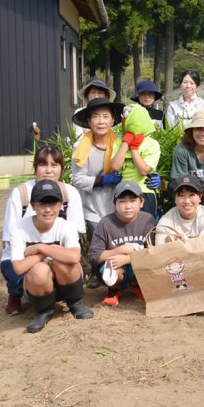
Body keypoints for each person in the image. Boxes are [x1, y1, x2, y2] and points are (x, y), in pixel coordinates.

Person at [1, 146, 86, 315]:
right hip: (22, 253)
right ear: (35, 168)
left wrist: (44, 250)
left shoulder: (70, 193)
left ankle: (68, 298)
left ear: (62, 168)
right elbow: (10, 240)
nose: (48, 170)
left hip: (55, 252)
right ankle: (15, 294)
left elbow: (74, 235)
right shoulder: (22, 193)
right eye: (43, 165)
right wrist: (39, 256)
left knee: (62, 268)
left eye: (54, 165)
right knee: (32, 274)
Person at [10, 180, 93, 333]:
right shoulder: (19, 228)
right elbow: (18, 267)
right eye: (42, 204)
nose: (48, 210)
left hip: (65, 280)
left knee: (62, 263)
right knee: (38, 270)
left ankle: (75, 302)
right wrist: (50, 251)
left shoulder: (65, 226)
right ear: (33, 205)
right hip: (39, 286)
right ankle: (43, 310)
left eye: (53, 203)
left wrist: (41, 248)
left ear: (60, 204)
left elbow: (74, 257)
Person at [70, 97, 125, 288]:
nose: (101, 121)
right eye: (96, 117)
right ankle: (95, 272)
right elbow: (77, 179)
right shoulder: (81, 147)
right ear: (89, 120)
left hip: (115, 204)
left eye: (105, 116)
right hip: (92, 206)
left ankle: (117, 277)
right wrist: (102, 180)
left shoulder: (119, 144)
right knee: (98, 242)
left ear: (112, 120)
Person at [88, 181, 156, 306]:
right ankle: (114, 289)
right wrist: (118, 250)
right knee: (112, 268)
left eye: (132, 200)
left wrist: (128, 258)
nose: (128, 206)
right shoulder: (105, 223)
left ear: (141, 202)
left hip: (137, 264)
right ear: (115, 204)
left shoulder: (148, 220)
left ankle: (137, 285)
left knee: (150, 263)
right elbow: (93, 256)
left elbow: (154, 253)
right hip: (116, 265)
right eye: (122, 201)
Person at [111, 104, 161, 216]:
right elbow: (115, 166)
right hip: (123, 190)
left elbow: (143, 171)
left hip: (145, 191)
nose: (125, 120)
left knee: (145, 228)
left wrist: (134, 148)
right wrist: (125, 143)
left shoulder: (152, 144)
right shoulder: (119, 142)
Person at [155, 174, 204, 245]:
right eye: (181, 195)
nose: (187, 201)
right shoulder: (166, 221)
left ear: (200, 197)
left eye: (192, 195)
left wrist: (184, 241)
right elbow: (159, 249)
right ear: (175, 199)